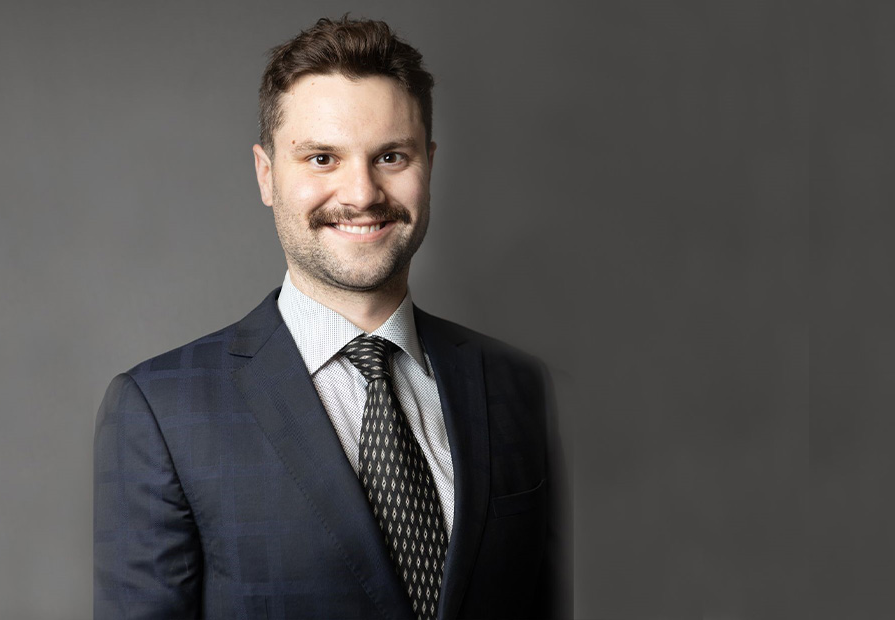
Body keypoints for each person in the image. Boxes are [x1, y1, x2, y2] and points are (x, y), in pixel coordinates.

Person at [94, 16, 568, 620]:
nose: (362, 193)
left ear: (430, 164)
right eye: (322, 158)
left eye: (391, 156)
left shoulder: (518, 387)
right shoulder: (160, 412)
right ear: (267, 175)